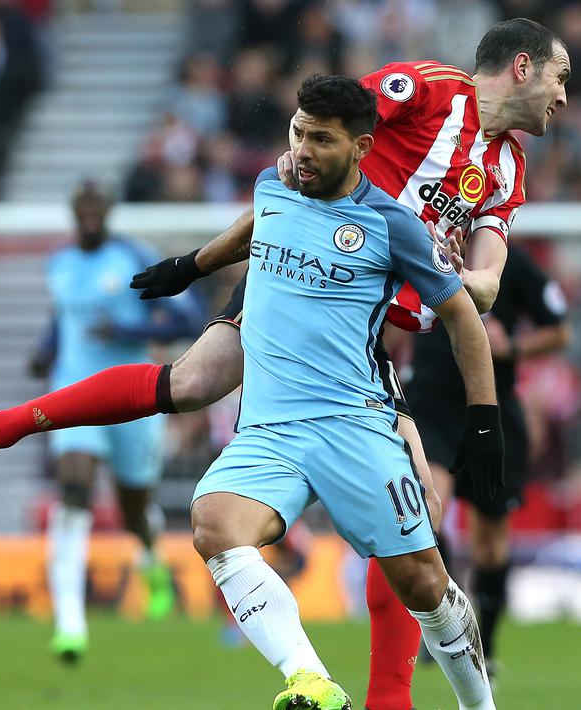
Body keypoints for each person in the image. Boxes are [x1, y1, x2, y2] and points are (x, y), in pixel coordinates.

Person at [0, 18, 570, 709]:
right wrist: (194, 263)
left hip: (370, 331)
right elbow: (300, 162)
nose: (565, 98)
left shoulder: (505, 168)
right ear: (523, 68)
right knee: (196, 382)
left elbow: (490, 267)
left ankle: (394, 693)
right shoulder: (430, 91)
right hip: (305, 281)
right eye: (562, 78)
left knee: (408, 528)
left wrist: (475, 286)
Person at [195, 75, 502, 710]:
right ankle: (311, 683)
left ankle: (480, 705)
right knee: (215, 524)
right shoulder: (272, 185)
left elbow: (463, 316)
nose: (302, 149)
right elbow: (245, 233)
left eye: (322, 140)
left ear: (362, 147)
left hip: (355, 424)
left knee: (425, 587)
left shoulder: (392, 226)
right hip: (273, 429)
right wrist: (189, 268)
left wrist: (483, 419)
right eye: (298, 133)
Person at [33, 180, 201, 663]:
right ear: (73, 210)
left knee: (133, 510)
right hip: (73, 396)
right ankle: (70, 624)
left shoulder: (134, 258)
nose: (88, 212)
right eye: (80, 205)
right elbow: (63, 321)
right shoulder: (59, 263)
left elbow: (188, 319)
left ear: (108, 210)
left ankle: (149, 559)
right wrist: (45, 353)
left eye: (96, 205)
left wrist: (128, 329)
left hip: (131, 397)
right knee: (74, 489)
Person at [406, 243, 571, 680]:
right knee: (426, 511)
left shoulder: (512, 264)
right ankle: (443, 630)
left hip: (490, 410)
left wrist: (512, 346)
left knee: (489, 544)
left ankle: (486, 647)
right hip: (431, 406)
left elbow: (559, 331)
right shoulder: (418, 240)